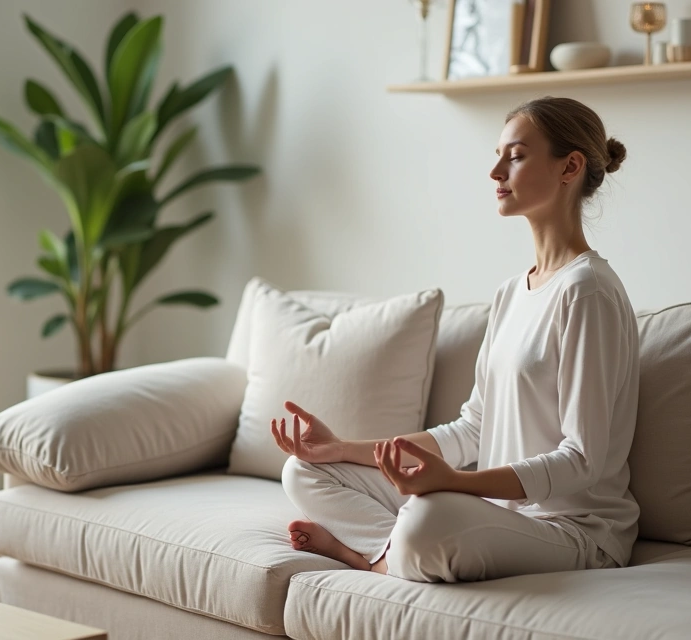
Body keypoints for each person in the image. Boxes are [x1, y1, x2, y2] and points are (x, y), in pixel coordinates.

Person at [270, 96, 640, 583]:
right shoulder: (512, 293)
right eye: (498, 154)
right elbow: (472, 429)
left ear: (570, 167)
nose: (495, 171)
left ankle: (370, 556)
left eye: (516, 155)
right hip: (493, 512)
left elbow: (582, 459)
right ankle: (389, 553)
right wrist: (341, 449)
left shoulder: (588, 292)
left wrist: (457, 484)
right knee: (304, 471)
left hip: (572, 529)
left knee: (431, 518)